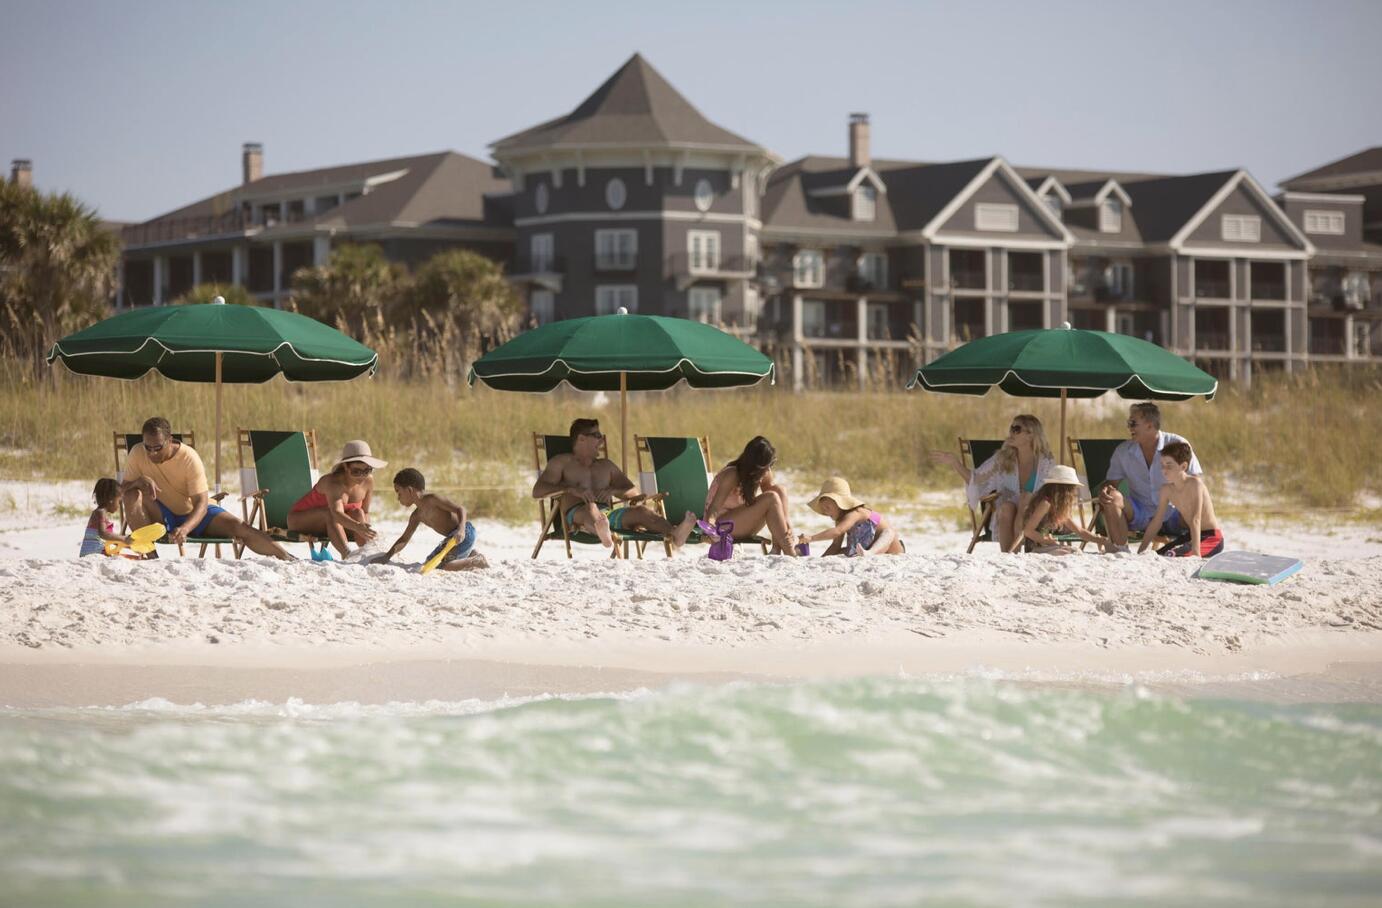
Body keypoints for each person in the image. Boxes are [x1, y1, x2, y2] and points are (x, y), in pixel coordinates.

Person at [120, 416, 293, 560]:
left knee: (240, 527)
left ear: (169, 440)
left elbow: (201, 503)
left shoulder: (189, 458)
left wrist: (186, 528)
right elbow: (121, 491)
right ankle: (151, 557)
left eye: (157, 448)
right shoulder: (137, 453)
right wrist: (137, 481)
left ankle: (287, 558)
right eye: (148, 447)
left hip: (195, 512)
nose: (152, 453)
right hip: (162, 513)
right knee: (131, 495)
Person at [532, 418, 697, 552]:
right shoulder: (562, 462)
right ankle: (605, 535)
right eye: (596, 435)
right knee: (591, 507)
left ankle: (675, 534)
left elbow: (634, 493)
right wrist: (570, 489)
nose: (601, 439)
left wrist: (613, 490)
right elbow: (538, 491)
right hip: (576, 518)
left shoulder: (606, 466)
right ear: (581, 438)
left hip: (607, 516)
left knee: (642, 511)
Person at [931, 414, 1055, 552]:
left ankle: (1012, 553)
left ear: (1030, 435)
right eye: (1011, 428)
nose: (1011, 432)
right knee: (1006, 507)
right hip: (1008, 513)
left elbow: (1052, 492)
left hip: (1037, 517)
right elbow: (976, 479)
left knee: (1025, 499)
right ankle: (1009, 556)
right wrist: (955, 462)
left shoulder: (1045, 462)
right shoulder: (1003, 458)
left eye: (1017, 429)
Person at [1098, 402, 1202, 551]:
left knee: (1196, 501)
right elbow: (1111, 484)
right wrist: (1105, 490)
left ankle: (1197, 546)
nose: (1129, 428)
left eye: (1133, 423)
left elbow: (1196, 482)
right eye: (1129, 423)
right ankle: (1121, 552)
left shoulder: (1177, 444)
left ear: (1149, 425)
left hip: (1174, 513)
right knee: (1112, 497)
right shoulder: (1123, 451)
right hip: (1140, 513)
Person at [287, 440, 383, 558]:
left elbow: (365, 512)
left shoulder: (368, 481)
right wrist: (358, 526)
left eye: (367, 470)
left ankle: (368, 552)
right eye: (356, 471)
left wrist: (366, 530)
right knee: (330, 513)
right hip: (300, 520)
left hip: (334, 524)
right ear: (345, 466)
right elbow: (337, 513)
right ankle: (347, 554)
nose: (362, 476)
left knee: (358, 513)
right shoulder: (332, 482)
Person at [380, 468, 488, 571]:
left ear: (409, 490)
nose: (398, 498)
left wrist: (461, 530)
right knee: (429, 562)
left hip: (464, 532)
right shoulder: (416, 516)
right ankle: (471, 554)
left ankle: (476, 561)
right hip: (453, 539)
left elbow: (461, 509)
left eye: (399, 493)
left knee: (441, 566)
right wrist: (387, 556)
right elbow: (404, 539)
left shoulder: (432, 499)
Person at [704, 435, 796, 555]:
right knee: (771, 498)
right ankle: (790, 552)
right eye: (768, 465)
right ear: (756, 466)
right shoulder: (732, 474)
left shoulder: (762, 472)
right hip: (722, 526)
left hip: (741, 522)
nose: (769, 469)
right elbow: (714, 508)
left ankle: (777, 549)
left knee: (779, 490)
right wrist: (710, 527)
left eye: (771, 464)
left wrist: (788, 524)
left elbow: (777, 497)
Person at [1138, 442, 1224, 558]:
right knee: (1158, 556)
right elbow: (1156, 521)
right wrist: (1141, 551)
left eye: (1169, 466)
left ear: (1183, 466)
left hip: (1211, 537)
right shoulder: (1166, 490)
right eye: (1162, 465)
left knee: (1171, 555)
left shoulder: (1195, 484)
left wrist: (1196, 552)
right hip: (1190, 536)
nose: (1164, 470)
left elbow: (1195, 519)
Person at [1011, 465, 1110, 555]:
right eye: (1072, 489)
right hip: (1035, 549)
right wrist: (1046, 540)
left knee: (1073, 551)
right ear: (1065, 490)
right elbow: (1028, 531)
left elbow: (1079, 531)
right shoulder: (1045, 504)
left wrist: (1101, 540)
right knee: (1072, 552)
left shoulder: (1057, 507)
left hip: (1046, 547)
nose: (1074, 492)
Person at [798, 477, 904, 556]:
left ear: (839, 503)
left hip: (891, 548)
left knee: (889, 532)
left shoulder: (856, 513)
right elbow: (835, 546)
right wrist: (822, 559)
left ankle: (870, 553)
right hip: (863, 549)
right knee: (845, 551)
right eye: (823, 508)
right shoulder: (840, 519)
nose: (825, 511)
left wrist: (811, 538)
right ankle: (867, 553)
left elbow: (837, 531)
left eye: (827, 507)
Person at [80, 477, 128, 557]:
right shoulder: (100, 512)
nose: (119, 505)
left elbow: (107, 538)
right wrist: (123, 538)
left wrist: (126, 543)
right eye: (119, 501)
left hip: (95, 552)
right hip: (93, 554)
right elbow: (103, 534)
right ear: (111, 500)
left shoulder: (100, 513)